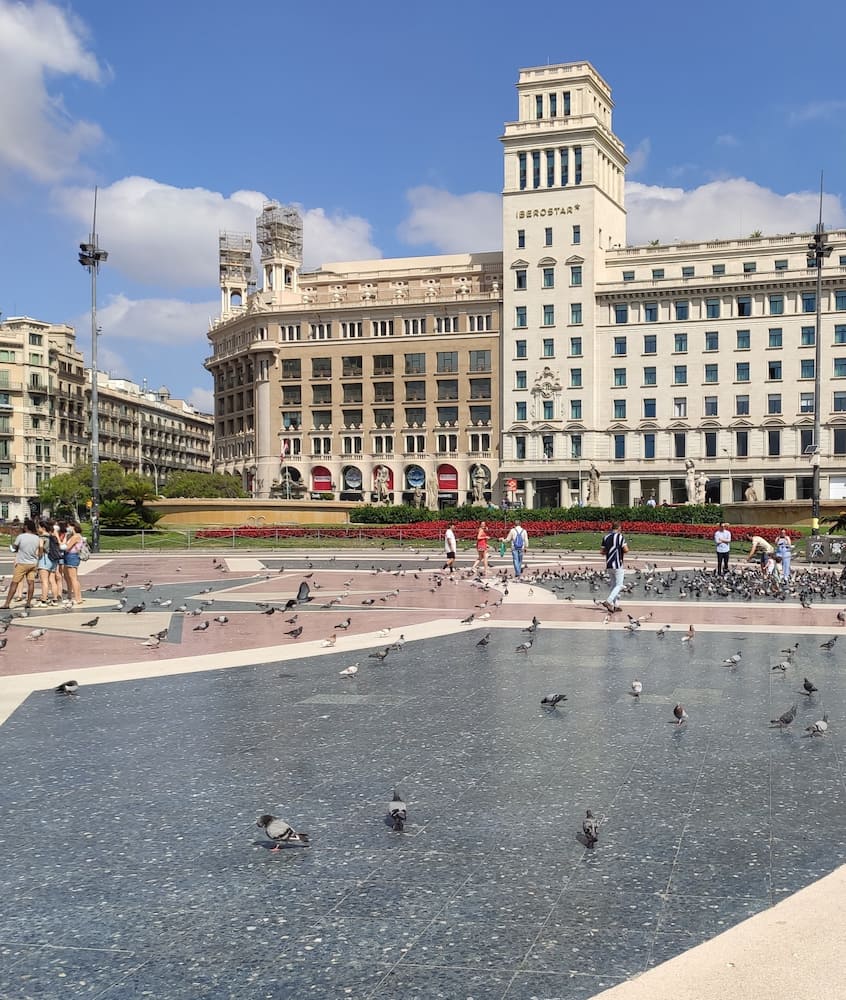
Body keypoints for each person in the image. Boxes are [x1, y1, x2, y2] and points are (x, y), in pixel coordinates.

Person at [2, 518, 42, 609]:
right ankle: (28, 602)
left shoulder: (21, 537)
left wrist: (15, 548)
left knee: (14, 583)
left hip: (22, 562)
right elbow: (39, 550)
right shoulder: (37, 538)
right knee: (31, 583)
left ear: (26, 527)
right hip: (33, 563)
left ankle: (7, 603)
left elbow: (15, 547)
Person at [601, 520, 629, 612]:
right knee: (619, 585)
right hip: (618, 564)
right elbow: (626, 549)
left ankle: (615, 605)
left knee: (613, 585)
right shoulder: (620, 537)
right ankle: (608, 601)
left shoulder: (605, 537)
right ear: (619, 528)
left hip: (609, 564)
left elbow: (602, 551)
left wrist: (610, 550)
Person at [36, 520, 63, 606]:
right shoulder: (53, 537)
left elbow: (41, 546)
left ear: (43, 528)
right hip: (53, 559)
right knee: (52, 580)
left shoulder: (42, 537)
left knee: (44, 581)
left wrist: (39, 554)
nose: (38, 529)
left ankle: (44, 600)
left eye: (39, 527)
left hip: (45, 559)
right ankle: (55, 599)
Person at [58, 520, 86, 605]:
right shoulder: (71, 536)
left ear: (73, 527)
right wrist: (66, 536)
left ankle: (78, 598)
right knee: (68, 577)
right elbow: (64, 543)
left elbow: (67, 547)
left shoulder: (76, 536)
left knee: (73, 578)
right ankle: (70, 596)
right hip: (68, 556)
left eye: (69, 526)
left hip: (72, 556)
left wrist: (61, 541)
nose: (68, 528)